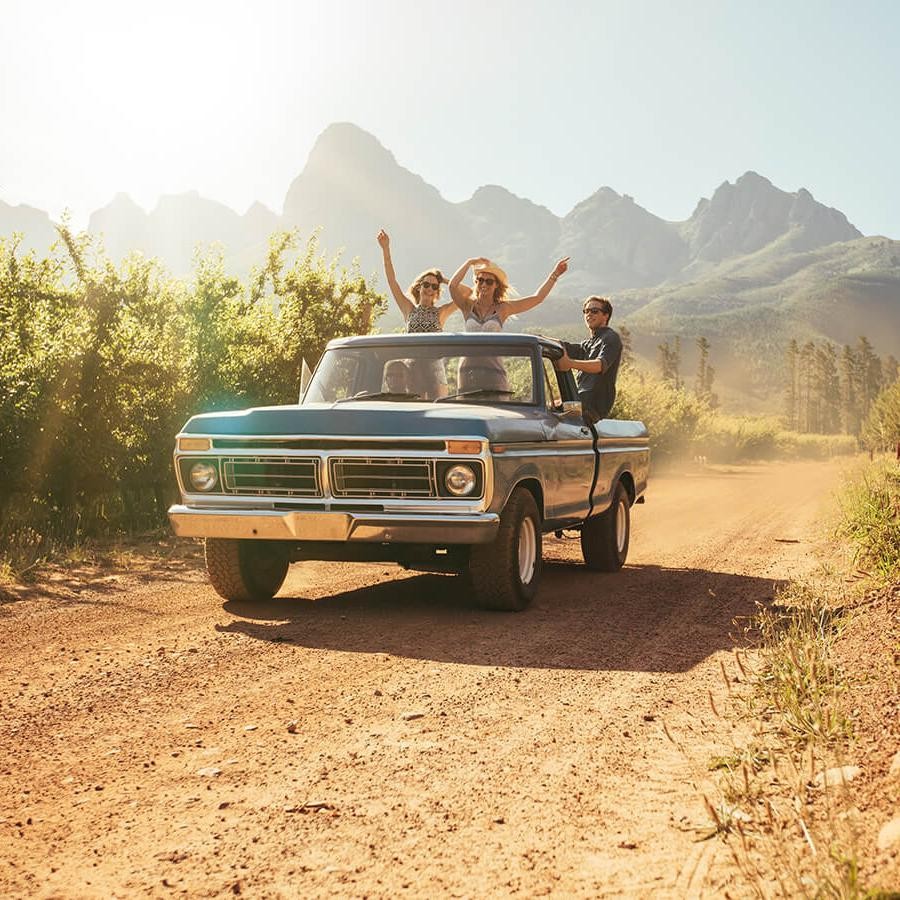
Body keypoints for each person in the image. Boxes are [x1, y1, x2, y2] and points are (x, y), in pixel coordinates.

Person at [448, 255, 569, 392]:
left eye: (489, 282)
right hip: (467, 370)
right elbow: (452, 286)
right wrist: (470, 262)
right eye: (480, 280)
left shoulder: (503, 308)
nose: (483, 284)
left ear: (496, 285)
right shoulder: (467, 306)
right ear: (476, 282)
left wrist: (555, 274)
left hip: (493, 370)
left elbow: (537, 298)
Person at [377, 229, 467, 397]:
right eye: (427, 284)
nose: (430, 289)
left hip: (435, 372)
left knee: (436, 413)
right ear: (419, 287)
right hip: (412, 371)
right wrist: (386, 249)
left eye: (434, 286)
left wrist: (445, 280)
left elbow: (467, 294)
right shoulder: (408, 308)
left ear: (437, 292)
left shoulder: (442, 312)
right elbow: (392, 281)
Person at [554, 296, 622, 425]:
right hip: (578, 404)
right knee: (544, 409)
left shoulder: (611, 338)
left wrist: (570, 364)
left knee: (546, 416)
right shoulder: (588, 344)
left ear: (606, 315)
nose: (589, 314)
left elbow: (600, 365)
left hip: (590, 410)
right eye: (586, 311)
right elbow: (564, 346)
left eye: (594, 311)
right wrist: (537, 338)